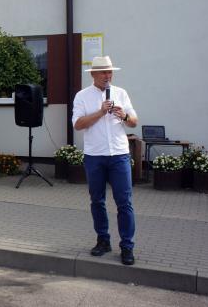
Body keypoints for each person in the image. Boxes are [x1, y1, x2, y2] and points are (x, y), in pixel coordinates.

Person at [72, 56, 138, 266]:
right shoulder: (82, 96)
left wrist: (125, 116)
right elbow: (78, 124)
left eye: (110, 72)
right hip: (95, 156)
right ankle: (103, 241)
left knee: (124, 203)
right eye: (103, 72)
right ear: (93, 74)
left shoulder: (121, 93)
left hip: (119, 155)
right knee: (97, 201)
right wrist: (100, 112)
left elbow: (134, 122)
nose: (107, 76)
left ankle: (127, 247)